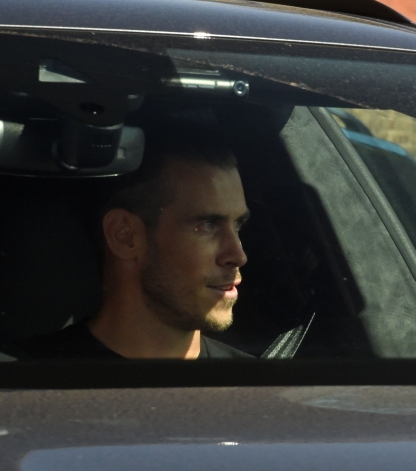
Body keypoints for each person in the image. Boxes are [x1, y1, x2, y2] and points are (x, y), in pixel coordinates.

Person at [4, 127, 253, 359]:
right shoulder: (22, 386)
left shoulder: (258, 391)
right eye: (207, 225)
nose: (238, 255)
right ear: (125, 236)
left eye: (238, 225)